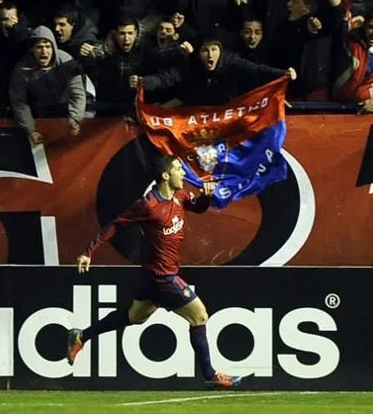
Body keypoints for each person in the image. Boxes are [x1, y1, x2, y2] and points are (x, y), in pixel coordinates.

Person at [67, 155, 242, 389]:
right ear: (165, 176)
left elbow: (198, 208)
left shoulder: (179, 196)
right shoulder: (148, 205)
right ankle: (210, 374)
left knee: (135, 317)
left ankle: (82, 335)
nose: (184, 173)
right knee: (199, 316)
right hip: (162, 276)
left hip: (151, 276)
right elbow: (115, 224)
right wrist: (88, 251)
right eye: (179, 169)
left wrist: (206, 196)